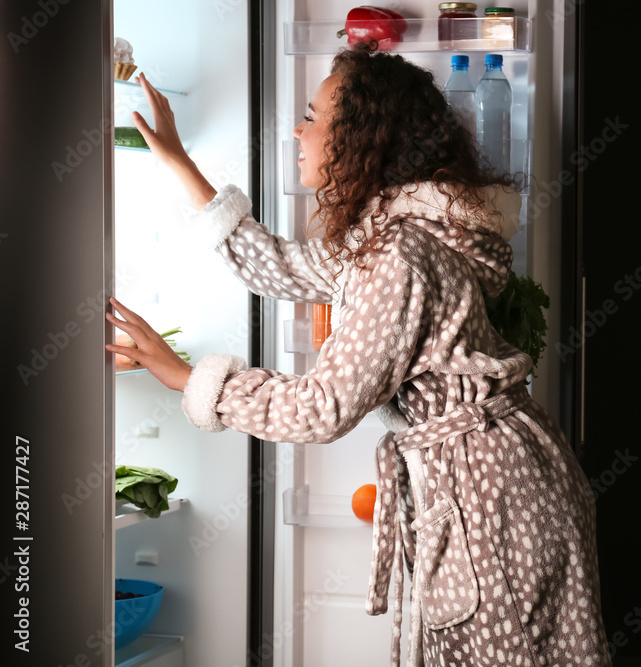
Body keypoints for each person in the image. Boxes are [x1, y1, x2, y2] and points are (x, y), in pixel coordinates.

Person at [107, 46, 612, 666]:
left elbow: (323, 408)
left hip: (492, 497)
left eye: (314, 116)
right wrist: (181, 162)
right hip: (502, 478)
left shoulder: (400, 254)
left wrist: (187, 377)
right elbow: (283, 268)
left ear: (362, 137)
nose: (298, 129)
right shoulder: (401, 236)